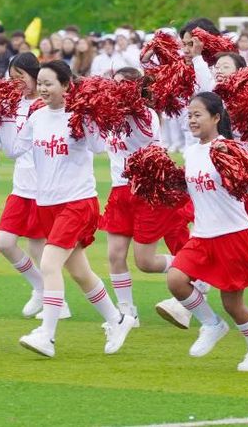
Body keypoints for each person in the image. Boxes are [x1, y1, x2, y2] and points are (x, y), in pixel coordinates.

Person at [1, 60, 137, 358]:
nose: (43, 89)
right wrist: (4, 115)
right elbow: (13, 150)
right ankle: (117, 320)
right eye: (41, 83)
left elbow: (99, 147)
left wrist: (91, 113)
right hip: (47, 204)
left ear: (66, 86)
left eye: (49, 83)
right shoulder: (37, 116)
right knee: (80, 272)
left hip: (77, 202)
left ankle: (47, 336)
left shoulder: (78, 115)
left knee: (49, 264)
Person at [165, 92, 248, 372]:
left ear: (216, 117)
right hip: (202, 235)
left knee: (232, 304)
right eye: (189, 115)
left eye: (198, 114)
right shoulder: (191, 151)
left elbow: (246, 188)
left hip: (232, 234)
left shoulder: (228, 149)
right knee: (176, 280)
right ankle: (211, 324)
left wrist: (234, 166)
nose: (192, 120)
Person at [101, 67, 190, 323]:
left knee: (145, 262)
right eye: (113, 84)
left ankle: (195, 268)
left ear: (135, 88)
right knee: (114, 255)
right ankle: (127, 312)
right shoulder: (111, 115)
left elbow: (145, 135)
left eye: (122, 85)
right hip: (119, 191)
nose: (115, 89)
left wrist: (127, 108)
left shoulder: (146, 115)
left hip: (146, 192)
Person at [0, 53, 71, 319]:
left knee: (39, 248)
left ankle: (58, 304)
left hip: (42, 187)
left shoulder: (48, 104)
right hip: (21, 186)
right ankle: (40, 288)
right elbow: (12, 150)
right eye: (12, 78)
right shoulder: (12, 104)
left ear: (34, 75)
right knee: (4, 242)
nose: (16, 83)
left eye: (21, 77)